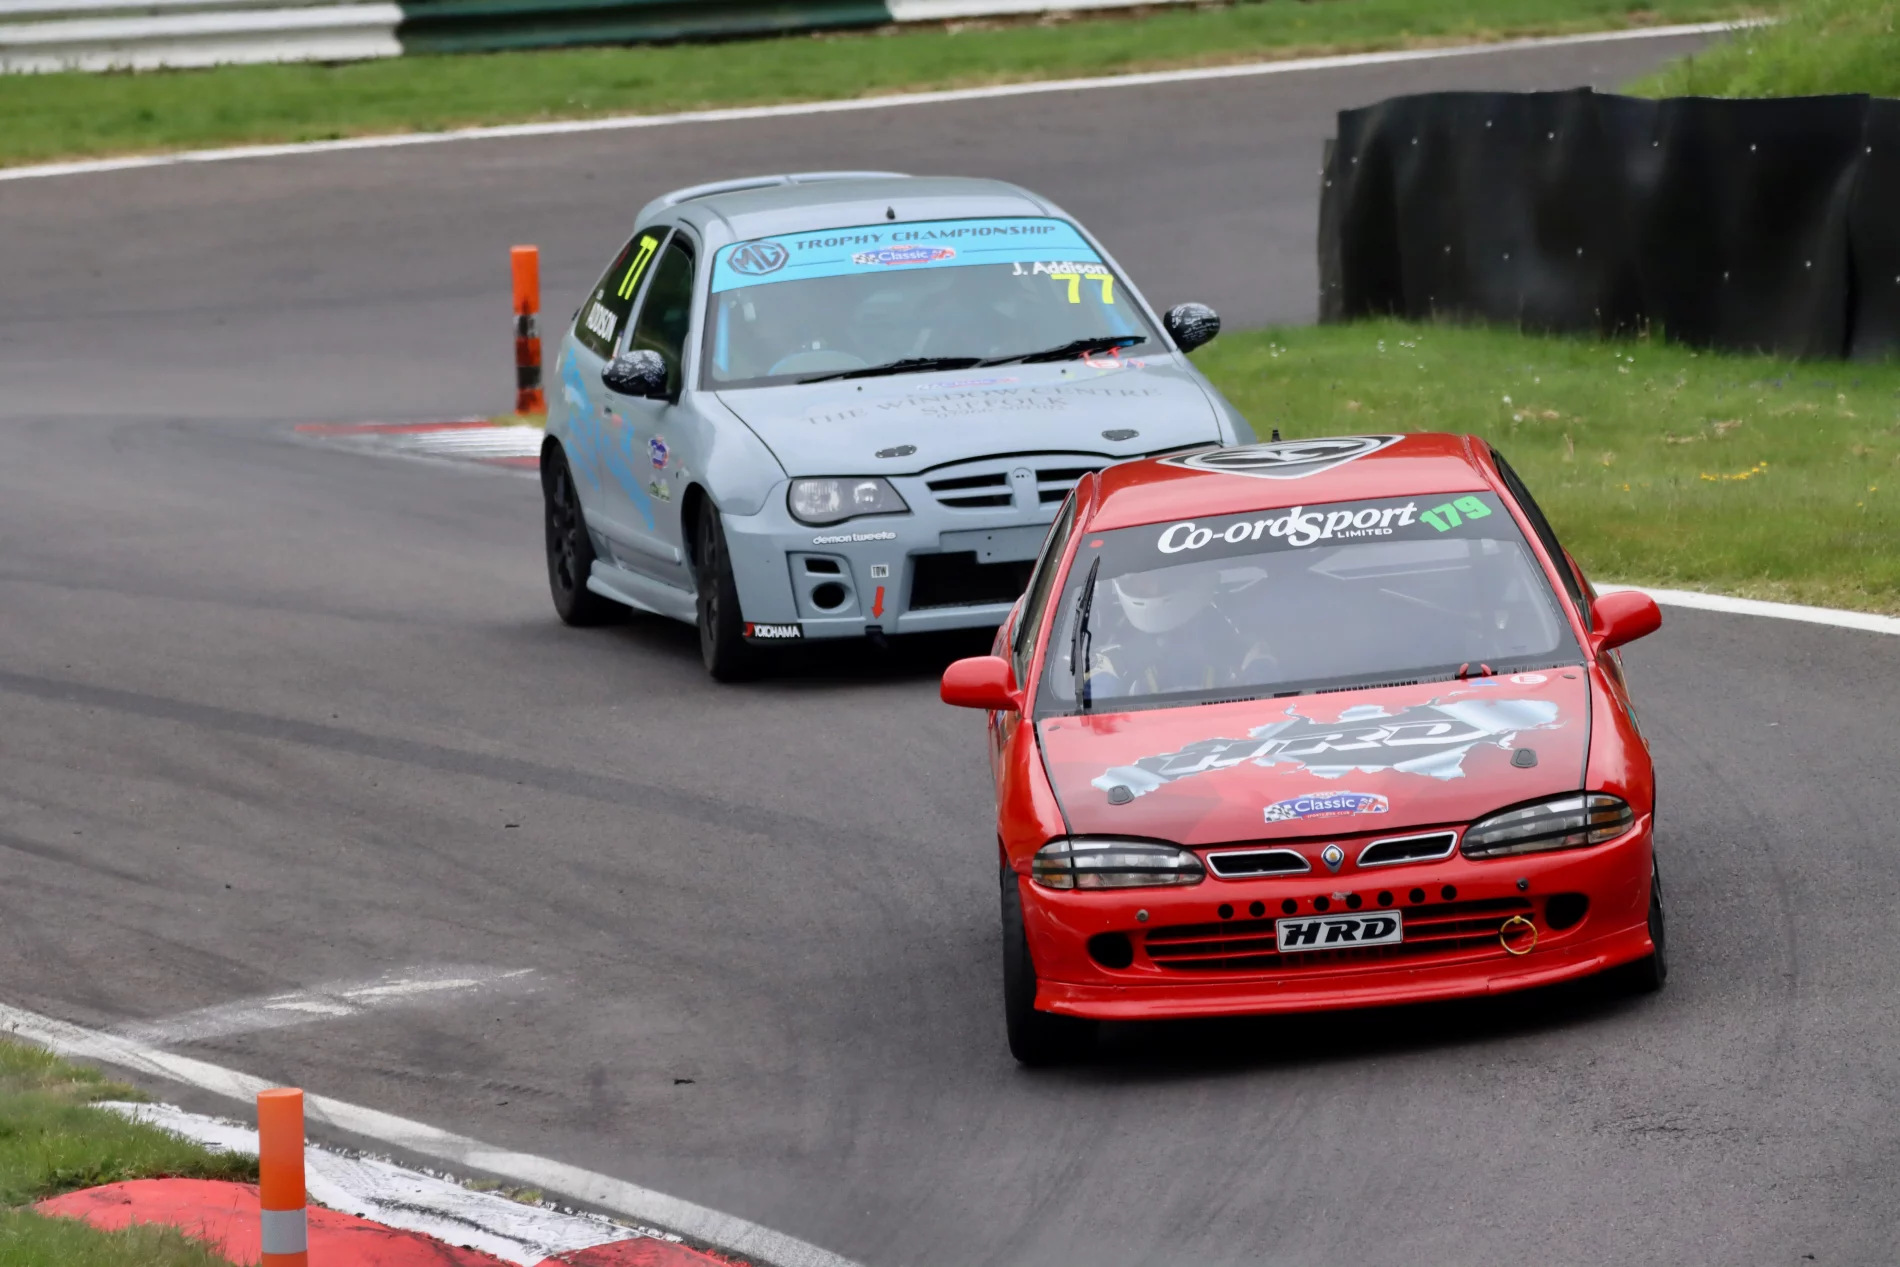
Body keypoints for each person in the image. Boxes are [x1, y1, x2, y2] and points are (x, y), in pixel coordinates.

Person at [1080, 561, 1276, 700]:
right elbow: (1090, 719)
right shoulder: (1111, 654)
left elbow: (1273, 704)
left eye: (1162, 577)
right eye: (1143, 580)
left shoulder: (1235, 638)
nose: (1153, 588)